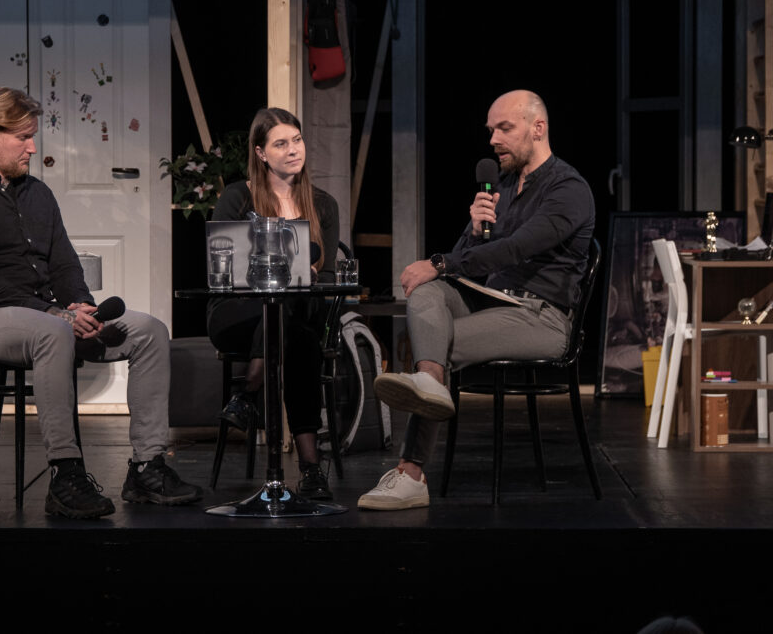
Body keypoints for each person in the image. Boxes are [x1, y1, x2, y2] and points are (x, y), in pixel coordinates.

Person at [0, 87, 202, 520]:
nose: (32, 148)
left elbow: (64, 265)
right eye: (23, 137)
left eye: (32, 137)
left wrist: (79, 306)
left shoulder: (38, 194)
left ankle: (147, 467)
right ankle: (65, 475)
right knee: (54, 331)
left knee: (149, 330)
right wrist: (55, 314)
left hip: (45, 317)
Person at [358, 90, 595, 510]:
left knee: (437, 340)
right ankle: (429, 384)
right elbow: (467, 264)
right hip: (494, 300)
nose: (493, 140)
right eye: (491, 130)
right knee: (428, 291)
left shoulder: (569, 189)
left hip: (543, 316)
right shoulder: (502, 185)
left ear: (538, 128)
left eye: (505, 128)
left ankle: (411, 473)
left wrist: (439, 262)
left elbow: (515, 249)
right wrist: (472, 229)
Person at [206, 107, 339, 500]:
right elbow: (221, 265)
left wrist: (308, 276)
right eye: (281, 144)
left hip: (295, 315)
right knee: (287, 318)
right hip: (238, 313)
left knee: (293, 323)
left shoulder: (323, 204)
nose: (293, 150)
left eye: (297, 140)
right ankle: (311, 467)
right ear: (261, 153)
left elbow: (329, 276)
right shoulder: (238, 196)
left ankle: (247, 394)